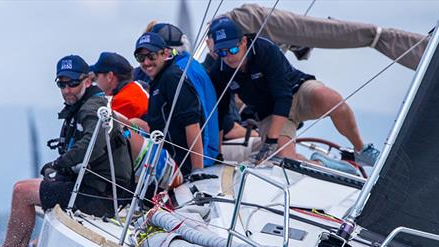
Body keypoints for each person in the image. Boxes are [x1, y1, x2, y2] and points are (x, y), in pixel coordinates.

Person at [0, 55, 133, 247]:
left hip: (99, 196)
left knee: (22, 192)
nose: (67, 90)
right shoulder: (83, 105)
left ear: (87, 80)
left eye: (72, 83)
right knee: (23, 190)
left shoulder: (92, 107)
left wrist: (59, 164)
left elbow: (92, 146)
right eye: (61, 84)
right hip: (90, 188)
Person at [207, 17, 376, 165]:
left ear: (243, 41)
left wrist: (271, 141)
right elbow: (220, 114)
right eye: (221, 52)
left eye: (233, 49)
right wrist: (217, 154)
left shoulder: (265, 49)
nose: (228, 56)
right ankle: (323, 163)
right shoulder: (219, 71)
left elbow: (283, 96)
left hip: (297, 92)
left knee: (331, 99)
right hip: (269, 114)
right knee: (285, 161)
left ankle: (361, 150)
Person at [132, 32, 204, 175]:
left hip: (180, 168)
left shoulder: (172, 78)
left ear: (165, 54)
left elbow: (192, 124)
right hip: (165, 162)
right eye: (141, 58)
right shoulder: (158, 80)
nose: (146, 63)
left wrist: (197, 171)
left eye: (151, 56)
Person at [150, 22, 220, 166]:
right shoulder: (191, 64)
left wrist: (198, 166)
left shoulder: (179, 72)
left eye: (152, 54)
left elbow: (195, 119)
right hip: (206, 153)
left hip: (203, 156)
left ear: (165, 52)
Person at [89, 52, 149, 119]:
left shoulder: (122, 102)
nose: (96, 82)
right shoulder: (135, 87)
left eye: (96, 76)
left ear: (109, 76)